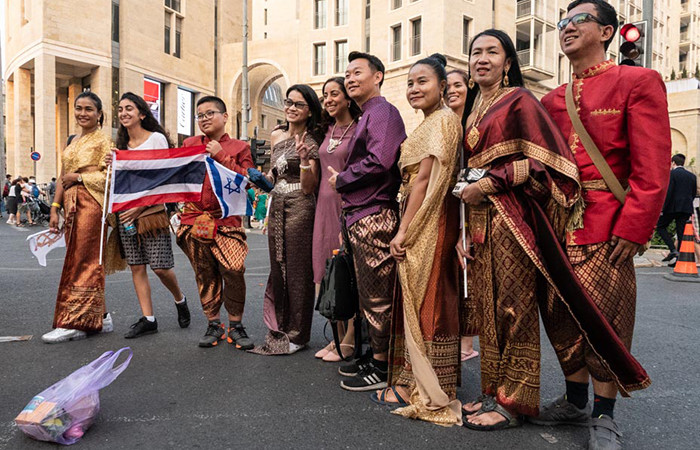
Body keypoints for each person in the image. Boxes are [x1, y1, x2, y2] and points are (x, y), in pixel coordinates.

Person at [536, 2, 670, 448]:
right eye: (562, 23)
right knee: (557, 316)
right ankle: (574, 402)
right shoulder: (549, 100)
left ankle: (604, 414)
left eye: (579, 21)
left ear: (608, 31)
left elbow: (651, 167)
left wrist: (635, 228)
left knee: (605, 321)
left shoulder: (638, 81)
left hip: (608, 226)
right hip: (555, 228)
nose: (567, 28)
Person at [375, 54, 462, 426]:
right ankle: (414, 380)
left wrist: (404, 228)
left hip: (430, 219)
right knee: (418, 296)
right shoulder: (429, 122)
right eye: (410, 82)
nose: (414, 88)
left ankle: (430, 388)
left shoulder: (442, 120)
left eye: (422, 81)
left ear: (443, 86)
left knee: (427, 297)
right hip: (421, 214)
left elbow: (425, 180)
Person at [328, 51, 406, 391]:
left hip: (374, 214)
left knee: (379, 296)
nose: (350, 79)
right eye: (347, 74)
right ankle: (373, 355)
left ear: (378, 76)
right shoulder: (366, 116)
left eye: (357, 72)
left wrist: (342, 179)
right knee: (366, 294)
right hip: (359, 214)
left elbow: (381, 160)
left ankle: (383, 365)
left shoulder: (384, 112)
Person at [250, 84, 324, 355]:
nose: (291, 108)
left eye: (298, 104)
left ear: (309, 111)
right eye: (288, 102)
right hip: (277, 203)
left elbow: (308, 186)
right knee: (277, 267)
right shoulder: (277, 134)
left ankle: (298, 334)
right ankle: (280, 326)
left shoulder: (314, 139)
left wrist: (304, 159)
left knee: (298, 272)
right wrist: (262, 179)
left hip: (302, 207)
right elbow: (273, 174)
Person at [177, 95, 255, 349]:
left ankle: (236, 324)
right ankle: (214, 324)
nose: (204, 119)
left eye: (210, 113)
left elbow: (248, 181)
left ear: (224, 117)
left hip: (227, 222)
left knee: (234, 269)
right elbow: (174, 174)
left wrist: (221, 155)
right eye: (200, 115)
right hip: (194, 220)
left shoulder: (240, 147)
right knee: (205, 274)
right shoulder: (189, 144)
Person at [110, 92, 189, 339]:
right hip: (125, 213)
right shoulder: (120, 147)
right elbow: (120, 182)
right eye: (121, 109)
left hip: (151, 212)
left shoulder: (156, 139)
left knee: (161, 267)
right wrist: (112, 166)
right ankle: (149, 318)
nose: (124, 113)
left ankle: (180, 299)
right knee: (136, 266)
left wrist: (139, 207)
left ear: (142, 113)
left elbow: (163, 178)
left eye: (129, 108)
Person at [42, 92, 114, 343]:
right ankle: (101, 317)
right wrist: (54, 206)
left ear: (99, 114)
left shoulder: (104, 141)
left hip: (91, 203)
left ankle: (76, 321)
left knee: (85, 260)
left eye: (89, 109)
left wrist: (80, 178)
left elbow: (110, 177)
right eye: (79, 108)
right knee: (77, 259)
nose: (83, 113)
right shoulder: (72, 143)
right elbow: (63, 175)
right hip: (70, 205)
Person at [313, 76, 361, 362]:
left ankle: (351, 339)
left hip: (347, 205)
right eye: (325, 95)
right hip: (323, 207)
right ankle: (335, 338)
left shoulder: (358, 129)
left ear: (347, 98)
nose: (328, 99)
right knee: (328, 271)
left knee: (350, 272)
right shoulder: (327, 130)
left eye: (334, 94)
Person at [446, 68, 480, 363]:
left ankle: (467, 342)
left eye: (459, 85)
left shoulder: (472, 124)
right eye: (448, 86)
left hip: (468, 203)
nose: (452, 91)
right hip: (448, 204)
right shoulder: (447, 124)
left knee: (467, 268)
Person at [657, 154, 697, 266]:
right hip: (686, 208)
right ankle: (679, 260)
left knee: (660, 226)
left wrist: (663, 208)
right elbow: (693, 193)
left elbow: (668, 192)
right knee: (681, 233)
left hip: (672, 207)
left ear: (673, 163)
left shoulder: (671, 174)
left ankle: (673, 249)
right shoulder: (692, 176)